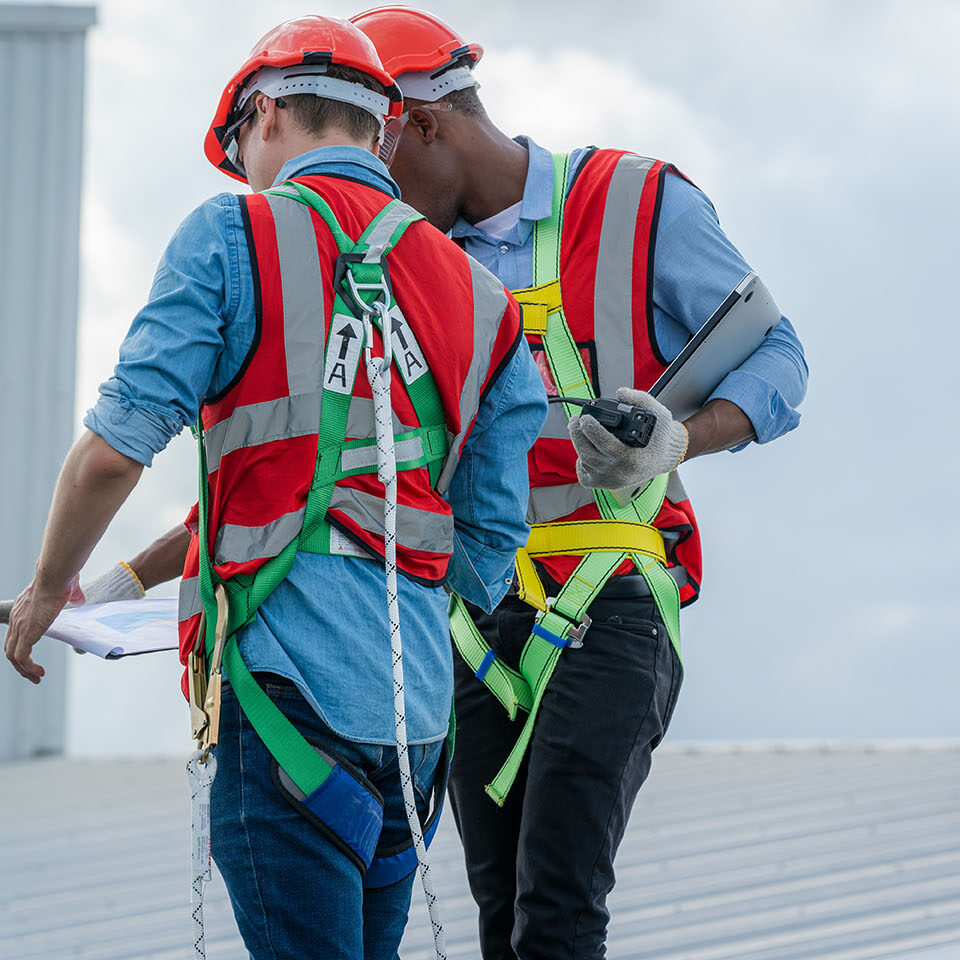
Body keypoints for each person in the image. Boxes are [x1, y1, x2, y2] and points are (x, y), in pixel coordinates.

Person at [3, 15, 547, 959]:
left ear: (262, 117)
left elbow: (112, 451)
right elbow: (490, 538)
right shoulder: (483, 297)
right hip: (415, 730)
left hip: (286, 701)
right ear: (381, 131)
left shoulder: (232, 233)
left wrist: (49, 589)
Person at [349, 7, 809, 960]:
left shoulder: (637, 202)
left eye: (375, 164)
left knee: (556, 906)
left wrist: (678, 440)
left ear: (421, 125)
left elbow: (778, 356)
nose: (370, 201)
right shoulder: (404, 266)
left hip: (611, 599)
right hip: (474, 621)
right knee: (501, 915)